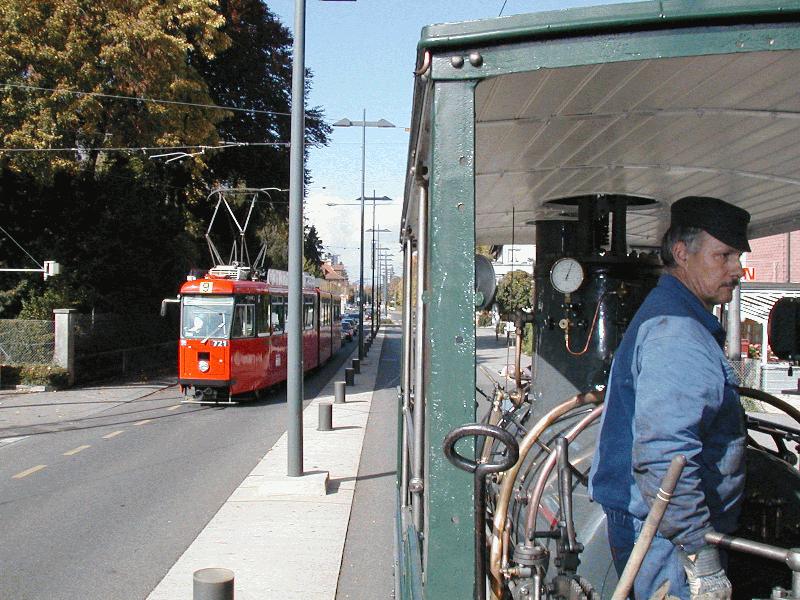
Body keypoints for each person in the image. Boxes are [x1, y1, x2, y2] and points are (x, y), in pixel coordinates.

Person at [588, 196, 750, 600]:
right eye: (724, 255)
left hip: (661, 528)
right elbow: (666, 454)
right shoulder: (677, 332)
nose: (737, 269)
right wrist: (699, 554)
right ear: (682, 253)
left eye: (738, 256)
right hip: (668, 538)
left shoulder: (676, 317)